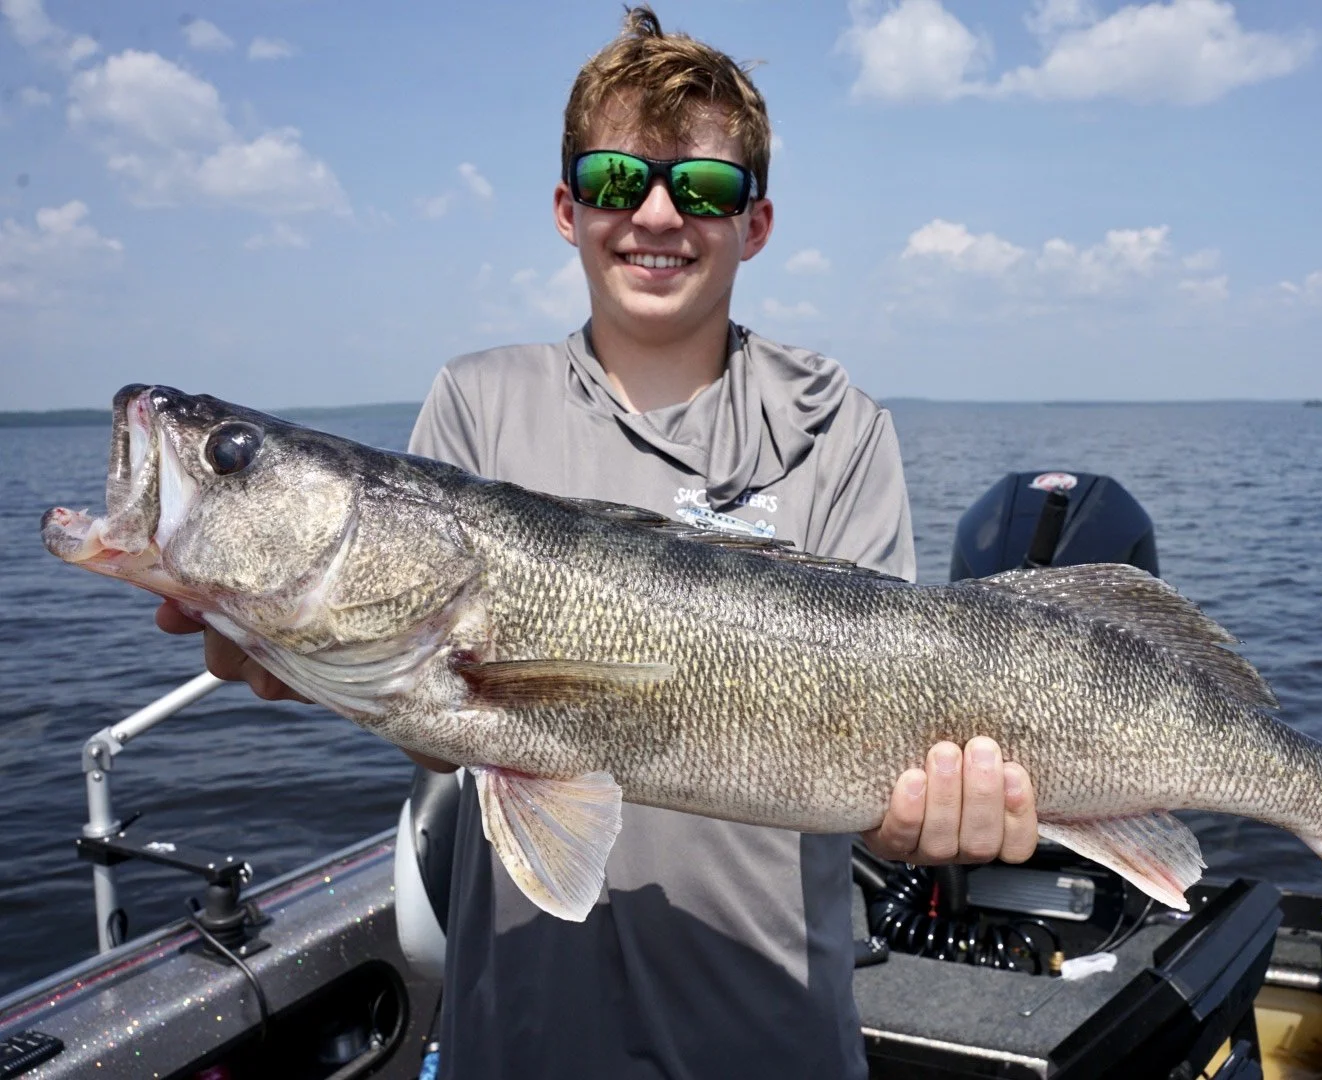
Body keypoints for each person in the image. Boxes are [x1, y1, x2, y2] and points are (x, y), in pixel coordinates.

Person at [157, 8, 1038, 1077]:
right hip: (523, 1039)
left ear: (753, 224)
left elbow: (879, 730)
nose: (657, 214)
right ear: (567, 209)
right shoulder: (478, 403)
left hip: (769, 1041)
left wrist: (914, 819)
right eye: (618, 181)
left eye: (703, 188)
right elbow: (447, 732)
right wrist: (324, 665)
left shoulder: (835, 422)